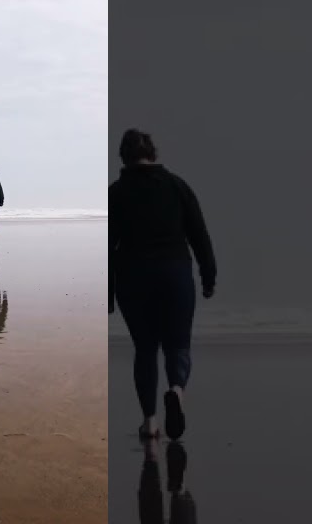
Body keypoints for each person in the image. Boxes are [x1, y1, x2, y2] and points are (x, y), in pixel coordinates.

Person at [110, 129, 217, 441]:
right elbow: (200, 235)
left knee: (145, 350)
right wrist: (208, 277)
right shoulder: (176, 186)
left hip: (133, 276)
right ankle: (176, 391)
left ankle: (150, 421)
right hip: (175, 274)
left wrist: (107, 293)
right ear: (153, 153)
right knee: (178, 345)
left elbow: (107, 245)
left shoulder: (116, 193)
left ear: (124, 157)